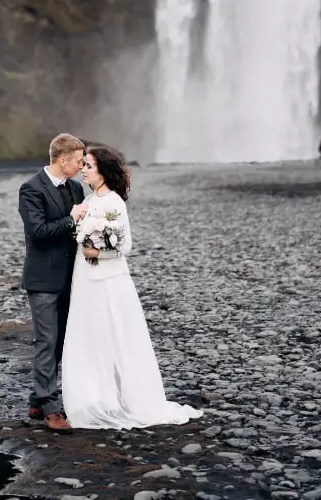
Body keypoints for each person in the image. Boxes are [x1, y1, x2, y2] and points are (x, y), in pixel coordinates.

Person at [61, 145, 203, 429]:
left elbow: (125, 245)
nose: (83, 170)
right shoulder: (88, 201)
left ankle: (124, 399)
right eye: (83, 165)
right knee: (90, 335)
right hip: (86, 279)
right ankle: (96, 397)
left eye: (88, 166)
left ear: (103, 171)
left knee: (114, 335)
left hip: (109, 281)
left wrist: (98, 252)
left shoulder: (114, 203)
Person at [18, 132, 86, 432]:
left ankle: (36, 399)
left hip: (72, 277)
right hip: (43, 279)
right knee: (46, 341)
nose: (82, 167)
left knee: (60, 342)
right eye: (79, 162)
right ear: (62, 160)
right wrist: (72, 219)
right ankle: (50, 408)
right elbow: (39, 232)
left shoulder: (75, 187)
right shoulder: (31, 189)